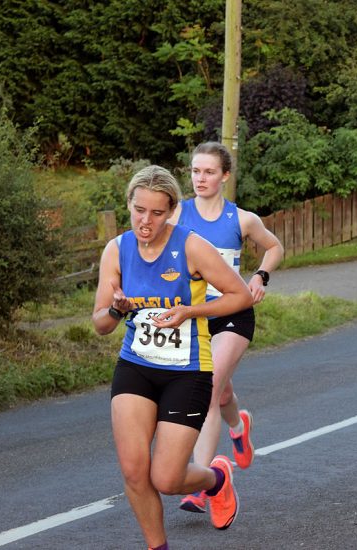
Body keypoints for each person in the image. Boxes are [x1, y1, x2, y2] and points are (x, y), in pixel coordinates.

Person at [92, 165, 254, 548]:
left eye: (157, 212)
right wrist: (116, 309)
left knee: (166, 479)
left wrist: (190, 311)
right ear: (129, 204)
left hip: (188, 371)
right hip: (136, 366)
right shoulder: (117, 250)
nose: (146, 221)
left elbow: (241, 296)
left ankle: (216, 479)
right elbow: (100, 323)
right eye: (139, 210)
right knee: (135, 473)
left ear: (171, 212)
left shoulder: (191, 246)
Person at [170, 141, 284, 515]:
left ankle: (200, 485)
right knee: (221, 391)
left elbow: (274, 247)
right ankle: (238, 426)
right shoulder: (176, 215)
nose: (200, 178)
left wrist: (260, 276)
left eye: (209, 172)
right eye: (195, 171)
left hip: (234, 311)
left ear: (225, 176)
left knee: (208, 386)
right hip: (195, 315)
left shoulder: (242, 219)